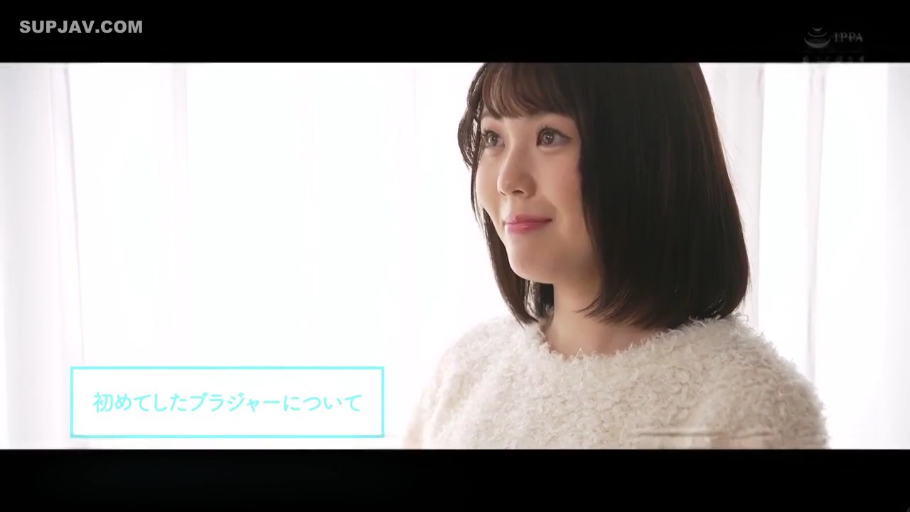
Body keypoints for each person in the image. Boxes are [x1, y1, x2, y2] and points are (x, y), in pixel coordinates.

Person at [402, 63, 829, 449]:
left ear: (649, 154)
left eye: (549, 136)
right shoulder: (465, 372)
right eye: (493, 138)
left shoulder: (747, 409)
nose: (508, 179)